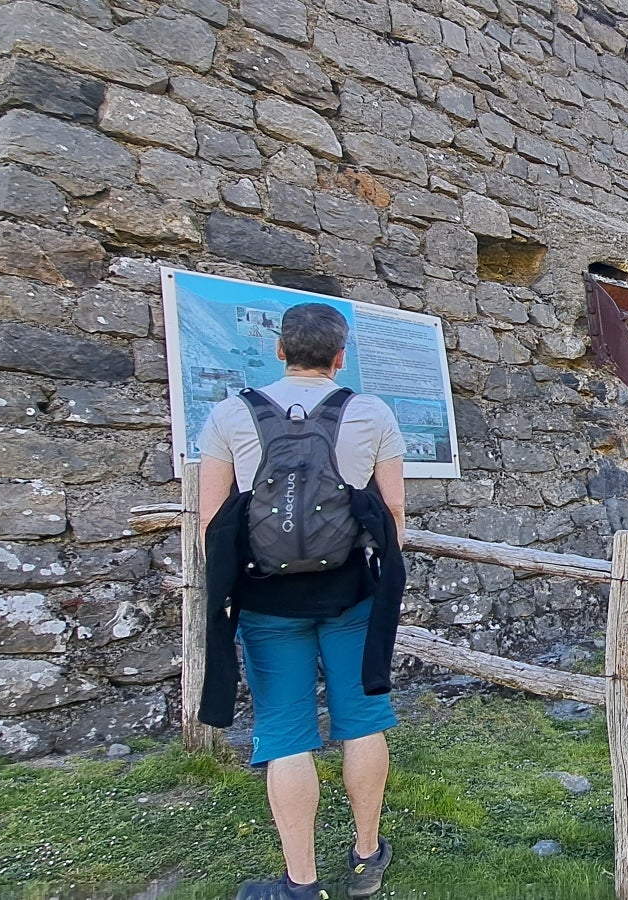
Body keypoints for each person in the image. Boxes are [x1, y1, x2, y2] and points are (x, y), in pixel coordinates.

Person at [195, 303, 410, 900]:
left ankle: (300, 882)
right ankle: (366, 856)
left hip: (267, 599)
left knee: (285, 733)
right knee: (362, 722)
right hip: (351, 594)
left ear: (280, 351)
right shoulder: (368, 412)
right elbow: (392, 512)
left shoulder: (232, 413)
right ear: (340, 357)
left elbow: (211, 518)